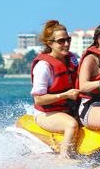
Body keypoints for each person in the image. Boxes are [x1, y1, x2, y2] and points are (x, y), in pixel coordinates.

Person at [30, 20, 80, 157]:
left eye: (68, 39)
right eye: (61, 41)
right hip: (46, 114)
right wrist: (65, 95)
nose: (66, 44)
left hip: (69, 108)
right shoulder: (44, 66)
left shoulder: (73, 58)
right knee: (71, 124)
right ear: (50, 43)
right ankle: (64, 161)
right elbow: (38, 99)